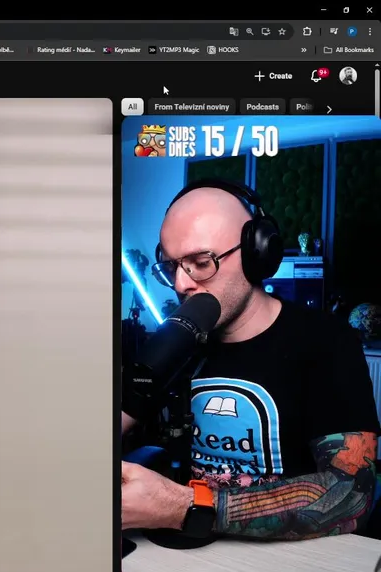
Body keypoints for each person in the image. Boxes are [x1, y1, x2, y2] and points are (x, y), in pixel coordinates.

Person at [121, 180, 379, 541]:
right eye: (171, 266)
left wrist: (186, 507)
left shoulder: (327, 341)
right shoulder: (176, 342)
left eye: (200, 263)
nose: (180, 284)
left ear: (256, 253)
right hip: (195, 552)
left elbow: (351, 494)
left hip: (293, 557)